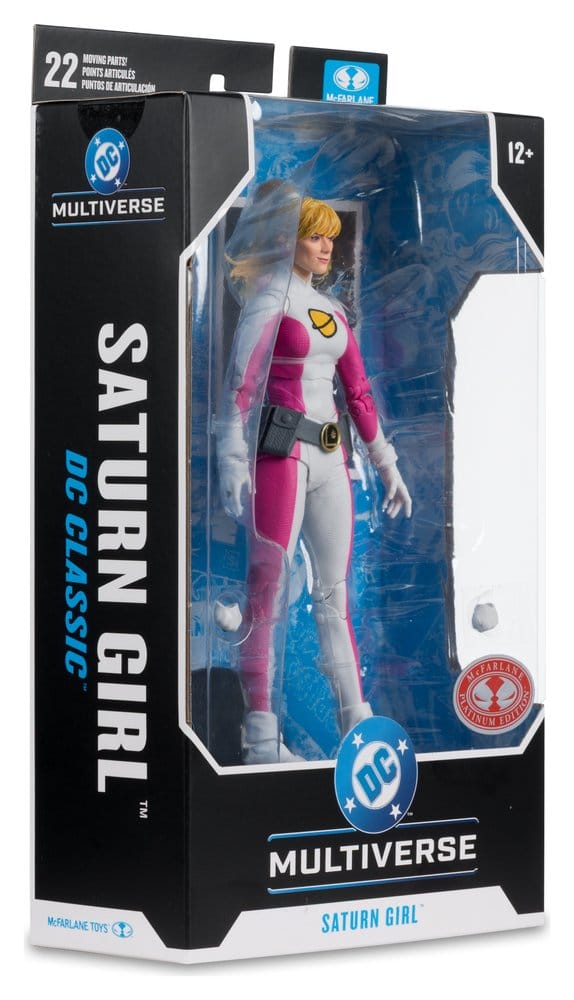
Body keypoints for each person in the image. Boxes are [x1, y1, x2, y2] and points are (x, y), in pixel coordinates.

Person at [217, 195, 412, 764]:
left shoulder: (330, 308)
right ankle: (260, 738)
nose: (327, 246)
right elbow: (239, 386)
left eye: (330, 236)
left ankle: (359, 730)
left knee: (334, 596)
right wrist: (231, 458)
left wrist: (386, 463)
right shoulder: (269, 300)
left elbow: (359, 393)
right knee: (268, 592)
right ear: (287, 239)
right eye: (314, 235)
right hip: (280, 457)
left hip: (332, 460)